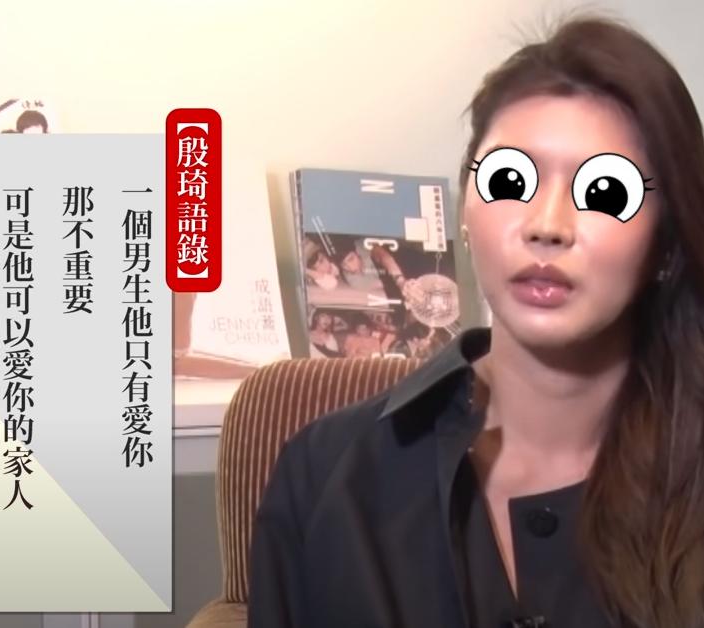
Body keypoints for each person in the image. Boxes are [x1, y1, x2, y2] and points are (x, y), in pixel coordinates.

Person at [248, 13, 704, 628]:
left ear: (666, 243)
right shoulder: (323, 476)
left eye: (603, 193)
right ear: (466, 208)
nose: (547, 225)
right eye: (510, 181)